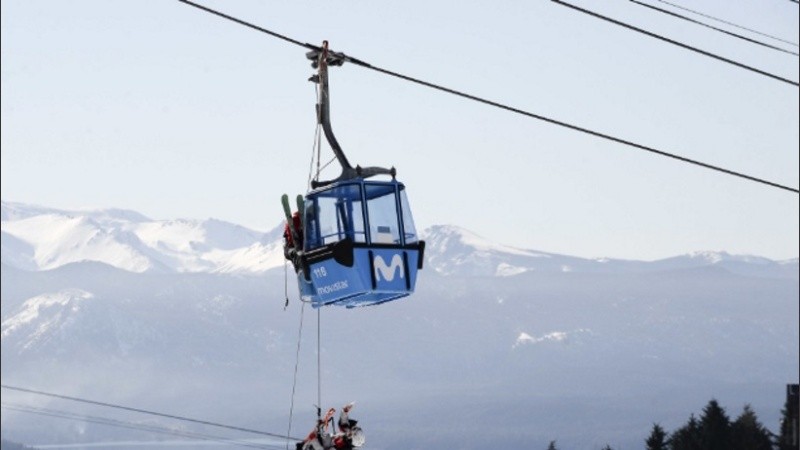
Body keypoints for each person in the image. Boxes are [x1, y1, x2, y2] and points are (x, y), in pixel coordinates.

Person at [297, 404, 364, 450]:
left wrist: (313, 441)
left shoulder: (344, 448)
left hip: (323, 446)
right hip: (328, 441)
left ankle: (304, 446)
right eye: (351, 430)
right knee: (323, 436)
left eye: (350, 434)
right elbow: (344, 424)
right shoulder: (348, 434)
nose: (348, 432)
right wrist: (344, 411)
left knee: (322, 439)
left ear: (352, 440)